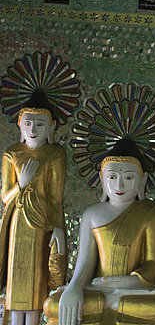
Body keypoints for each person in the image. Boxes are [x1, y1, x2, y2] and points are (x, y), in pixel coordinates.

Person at [44, 138, 155, 325]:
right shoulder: (92, 213)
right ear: (102, 179)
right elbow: (84, 264)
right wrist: (74, 288)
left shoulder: (151, 212)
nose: (119, 185)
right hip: (98, 289)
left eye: (128, 178)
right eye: (112, 177)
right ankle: (112, 302)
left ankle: (113, 302)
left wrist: (124, 283)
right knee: (53, 304)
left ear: (142, 180)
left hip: (133, 290)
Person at [0, 91, 67, 325]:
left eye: (40, 123)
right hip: (18, 223)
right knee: (16, 282)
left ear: (51, 127)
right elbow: (5, 197)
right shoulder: (12, 153)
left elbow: (55, 198)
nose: (33, 128)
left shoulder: (55, 154)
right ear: (20, 125)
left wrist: (58, 228)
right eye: (27, 123)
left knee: (38, 283)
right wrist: (21, 184)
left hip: (43, 222)